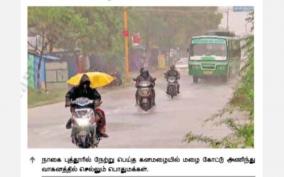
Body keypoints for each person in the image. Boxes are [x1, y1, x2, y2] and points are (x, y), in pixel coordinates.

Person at [65, 74, 108, 138]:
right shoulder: (75, 89)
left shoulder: (92, 89)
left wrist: (97, 101)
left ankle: (100, 131)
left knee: (100, 113)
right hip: (77, 109)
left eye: (86, 81)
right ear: (80, 81)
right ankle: (72, 120)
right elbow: (68, 95)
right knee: (73, 116)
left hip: (90, 108)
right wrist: (68, 101)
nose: (85, 84)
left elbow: (97, 96)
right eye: (83, 81)